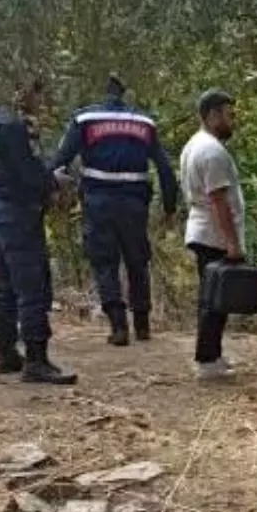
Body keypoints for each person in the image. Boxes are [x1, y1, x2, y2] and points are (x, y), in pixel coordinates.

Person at [51, 75, 179, 346]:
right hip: (134, 203)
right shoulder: (144, 122)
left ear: (104, 94)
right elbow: (165, 169)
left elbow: (61, 159)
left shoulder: (85, 119)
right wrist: (170, 207)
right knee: (137, 259)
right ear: (124, 95)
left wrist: (48, 187)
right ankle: (142, 324)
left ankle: (118, 324)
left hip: (98, 201)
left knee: (104, 260)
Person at [0, 78, 77, 384]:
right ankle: (36, 359)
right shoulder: (12, 127)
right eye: (38, 93)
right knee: (31, 286)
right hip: (18, 213)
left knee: (3, 284)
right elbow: (26, 173)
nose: (40, 102)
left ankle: (5, 352)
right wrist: (53, 181)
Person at [180, 89, 243, 380]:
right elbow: (218, 200)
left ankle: (212, 353)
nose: (232, 122)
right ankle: (207, 359)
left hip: (204, 229)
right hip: (212, 233)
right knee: (215, 298)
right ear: (213, 114)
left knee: (214, 296)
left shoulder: (197, 145)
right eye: (228, 115)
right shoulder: (211, 151)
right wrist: (231, 242)